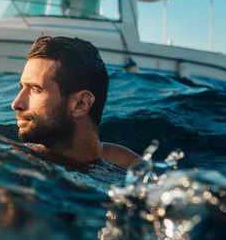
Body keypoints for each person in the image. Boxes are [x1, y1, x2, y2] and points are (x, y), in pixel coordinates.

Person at [11, 35, 141, 168]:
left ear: (80, 104)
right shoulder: (16, 158)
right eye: (22, 87)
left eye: (35, 89)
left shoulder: (140, 174)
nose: (16, 104)